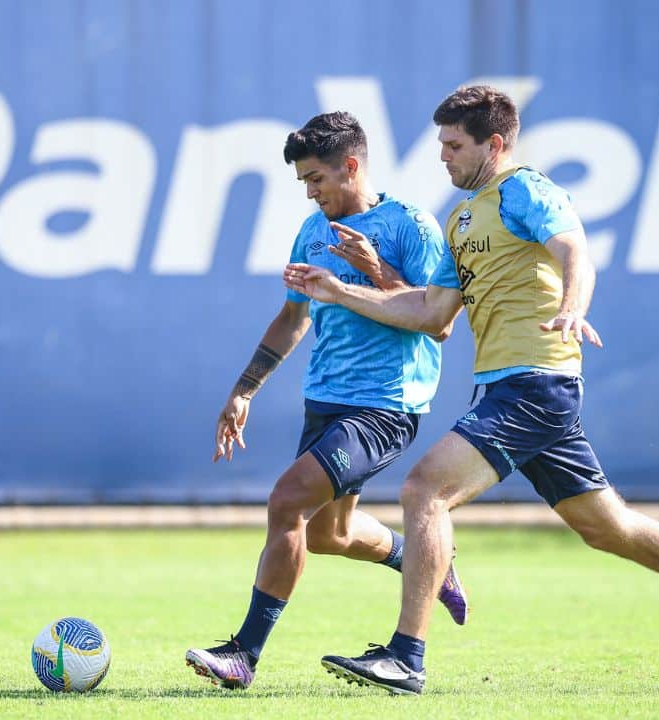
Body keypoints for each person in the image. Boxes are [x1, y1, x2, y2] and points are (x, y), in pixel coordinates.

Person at [285, 86, 659, 696]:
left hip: (536, 382)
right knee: (606, 527)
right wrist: (340, 291)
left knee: (424, 491)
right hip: (510, 386)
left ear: (494, 144)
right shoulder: (462, 218)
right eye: (440, 143)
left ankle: (406, 657)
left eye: (453, 144)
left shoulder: (526, 190)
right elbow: (431, 312)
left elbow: (575, 248)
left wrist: (572, 307)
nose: (442, 156)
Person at [184, 111, 470, 691]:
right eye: (303, 183)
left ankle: (243, 655)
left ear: (351, 166)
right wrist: (244, 391)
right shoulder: (312, 231)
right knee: (326, 533)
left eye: (316, 179)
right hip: (326, 400)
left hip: (385, 404)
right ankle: (421, 557)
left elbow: (437, 324)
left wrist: (376, 269)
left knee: (287, 501)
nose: (310, 192)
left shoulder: (409, 226)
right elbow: (293, 318)